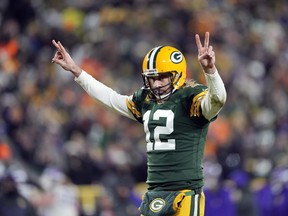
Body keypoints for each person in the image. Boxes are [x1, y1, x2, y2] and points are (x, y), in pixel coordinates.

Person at [51, 32, 227, 216]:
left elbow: (218, 100)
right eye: (152, 78)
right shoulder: (145, 100)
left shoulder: (190, 98)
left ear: (177, 75)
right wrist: (77, 71)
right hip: (155, 192)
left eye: (162, 77)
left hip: (185, 192)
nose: (156, 84)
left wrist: (211, 72)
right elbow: (111, 99)